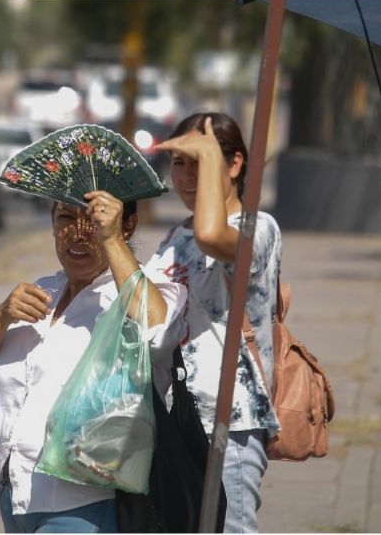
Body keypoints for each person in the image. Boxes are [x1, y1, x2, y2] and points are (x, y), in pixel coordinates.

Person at [0, 190, 186, 533]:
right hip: (18, 500)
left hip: (86, 503)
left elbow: (159, 329)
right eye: (66, 218)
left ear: (127, 224)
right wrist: (0, 317)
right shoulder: (40, 294)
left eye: (94, 220)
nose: (78, 233)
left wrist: (111, 239)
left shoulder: (142, 291)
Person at [147, 112, 282, 533]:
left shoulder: (257, 229)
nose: (187, 176)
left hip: (229, 420)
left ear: (235, 164)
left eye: (201, 162)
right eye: (180, 163)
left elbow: (212, 237)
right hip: (175, 418)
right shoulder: (175, 236)